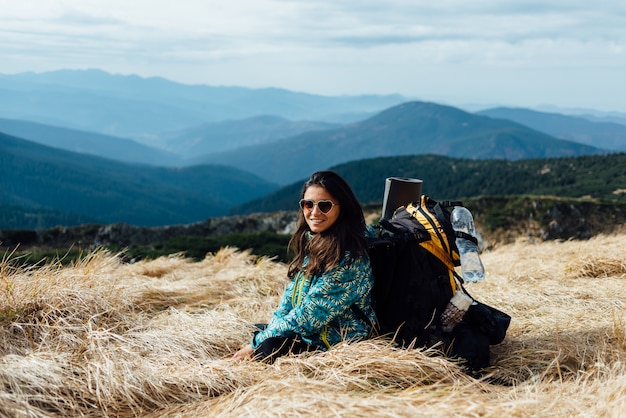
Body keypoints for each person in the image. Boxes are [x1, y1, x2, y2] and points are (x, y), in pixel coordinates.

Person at [233, 170, 377, 362]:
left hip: (337, 344)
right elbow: (288, 304)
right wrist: (265, 334)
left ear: (343, 208)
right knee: (259, 329)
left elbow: (308, 317)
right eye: (308, 204)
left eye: (325, 206)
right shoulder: (317, 242)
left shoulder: (351, 258)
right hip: (312, 334)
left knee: (267, 346)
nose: (315, 212)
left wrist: (254, 346)